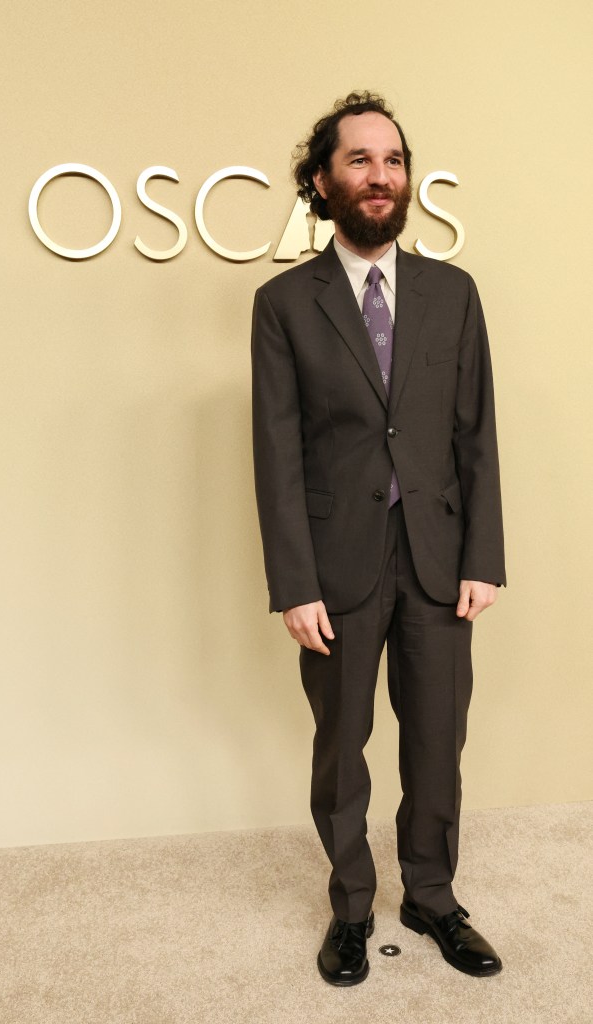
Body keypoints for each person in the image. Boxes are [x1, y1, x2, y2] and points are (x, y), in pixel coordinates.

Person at [251, 92, 506, 985]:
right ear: (322, 182)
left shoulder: (454, 293)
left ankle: (433, 897)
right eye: (358, 160)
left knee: (437, 740)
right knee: (342, 743)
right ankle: (352, 907)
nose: (380, 175)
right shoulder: (284, 303)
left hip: (439, 558)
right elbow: (277, 451)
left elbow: (475, 435)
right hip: (337, 564)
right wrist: (294, 583)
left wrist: (483, 558)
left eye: (392, 160)